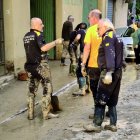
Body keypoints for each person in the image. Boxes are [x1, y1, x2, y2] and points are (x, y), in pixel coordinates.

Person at [83, 19, 123, 132]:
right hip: (118, 72)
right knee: (112, 99)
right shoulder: (117, 36)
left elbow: (110, 55)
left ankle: (96, 125)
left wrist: (109, 72)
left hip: (108, 72)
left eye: (98, 29)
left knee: (101, 98)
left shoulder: (107, 37)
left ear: (105, 27)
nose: (97, 31)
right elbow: (121, 54)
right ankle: (113, 124)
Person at [23, 17, 63, 120]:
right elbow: (43, 48)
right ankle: (46, 113)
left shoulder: (26, 36)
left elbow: (34, 50)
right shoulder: (38, 34)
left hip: (29, 66)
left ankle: (30, 114)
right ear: (35, 25)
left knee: (31, 90)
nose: (43, 26)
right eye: (41, 24)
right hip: (40, 66)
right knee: (47, 87)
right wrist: (56, 42)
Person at [81, 9, 102, 117]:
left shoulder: (91, 30)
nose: (88, 20)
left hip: (94, 65)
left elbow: (87, 48)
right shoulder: (107, 28)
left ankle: (98, 113)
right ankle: (106, 110)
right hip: (106, 66)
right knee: (105, 88)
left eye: (88, 18)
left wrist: (83, 63)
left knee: (94, 89)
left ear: (94, 18)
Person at [71, 22, 90, 96]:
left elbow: (78, 37)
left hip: (83, 54)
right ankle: (89, 88)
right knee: (87, 70)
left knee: (79, 71)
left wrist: (73, 42)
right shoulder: (88, 32)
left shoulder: (80, 31)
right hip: (89, 53)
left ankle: (82, 90)